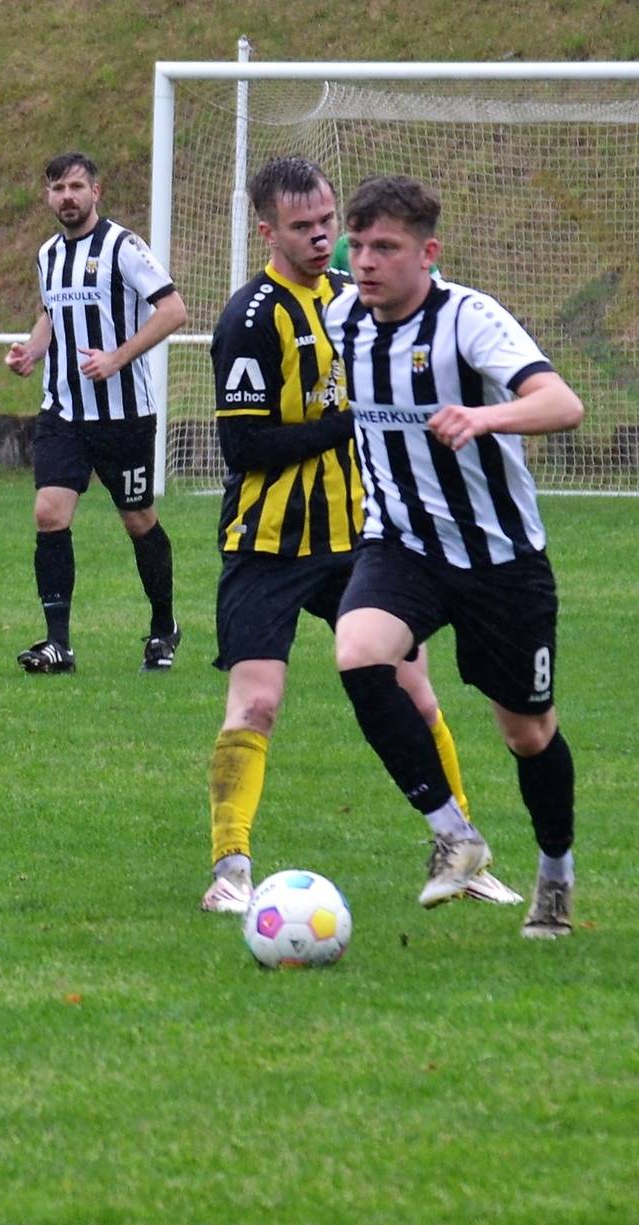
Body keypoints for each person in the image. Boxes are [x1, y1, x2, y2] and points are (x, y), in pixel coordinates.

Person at [202, 156, 520, 914]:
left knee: (413, 688)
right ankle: (231, 871)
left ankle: (462, 849)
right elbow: (243, 447)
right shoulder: (251, 319)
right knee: (257, 702)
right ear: (267, 232)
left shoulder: (356, 298)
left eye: (327, 222)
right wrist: (349, 422)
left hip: (364, 537)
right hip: (269, 542)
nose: (322, 239)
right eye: (302, 227)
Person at [324, 175, 586, 939]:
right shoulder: (344, 319)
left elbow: (563, 404)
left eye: (386, 247)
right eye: (358, 246)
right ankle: (454, 834)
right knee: (358, 652)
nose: (366, 261)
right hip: (402, 544)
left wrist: (483, 416)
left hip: (500, 558)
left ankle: (556, 874)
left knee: (527, 733)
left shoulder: (469, 318)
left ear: (427, 252)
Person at [5, 151, 186, 674]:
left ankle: (164, 626)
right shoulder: (47, 255)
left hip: (124, 415)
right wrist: (31, 351)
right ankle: (57, 644)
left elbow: (173, 310)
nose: (68, 197)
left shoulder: (123, 247)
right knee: (49, 513)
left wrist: (117, 358)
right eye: (58, 188)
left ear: (95, 192)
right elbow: (51, 313)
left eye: (77, 187)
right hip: (62, 411)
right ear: (48, 195)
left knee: (138, 520)